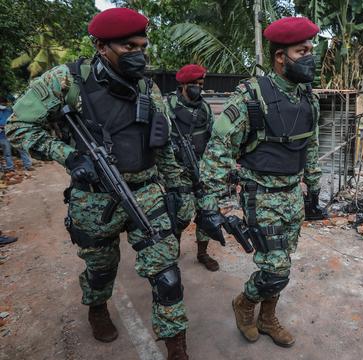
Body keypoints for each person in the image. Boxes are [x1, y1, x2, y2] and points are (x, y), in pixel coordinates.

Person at [6, 8, 189, 359]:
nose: (139, 53)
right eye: (128, 46)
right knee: (101, 269)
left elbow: (162, 143)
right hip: (93, 198)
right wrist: (69, 156)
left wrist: (178, 190)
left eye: (142, 45)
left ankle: (177, 347)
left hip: (145, 191)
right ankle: (97, 306)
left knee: (167, 274)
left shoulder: (148, 89)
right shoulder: (66, 80)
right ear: (101, 47)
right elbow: (18, 126)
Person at [195, 16, 327, 348]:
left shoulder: (307, 98)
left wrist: (314, 186)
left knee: (283, 259)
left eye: (312, 49)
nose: (311, 56)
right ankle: (245, 303)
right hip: (261, 196)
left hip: (292, 195)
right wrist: (208, 205)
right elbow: (217, 151)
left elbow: (309, 144)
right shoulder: (251, 96)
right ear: (280, 56)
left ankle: (268, 318)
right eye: (302, 50)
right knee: (275, 269)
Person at [165, 64, 220, 271]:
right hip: (177, 171)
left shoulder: (204, 108)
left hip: (202, 168)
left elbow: (213, 137)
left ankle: (202, 253)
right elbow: (158, 141)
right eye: (194, 84)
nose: (198, 88)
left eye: (201, 84)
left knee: (207, 210)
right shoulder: (168, 107)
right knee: (181, 213)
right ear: (183, 85)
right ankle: (173, 248)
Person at [0, 96, 32, 172]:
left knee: (22, 149)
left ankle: (27, 165)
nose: (4, 105)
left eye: (5, 103)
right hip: (3, 136)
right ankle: (10, 167)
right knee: (7, 153)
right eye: (2, 104)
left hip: (14, 134)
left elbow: (16, 118)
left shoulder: (9, 110)